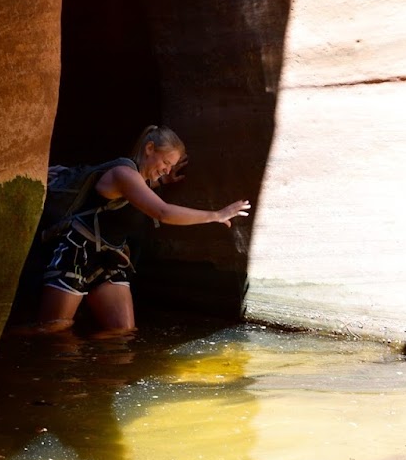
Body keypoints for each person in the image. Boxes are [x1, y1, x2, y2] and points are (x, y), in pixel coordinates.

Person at [32, 125, 250, 336]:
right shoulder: (122, 174)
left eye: (171, 166)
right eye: (165, 162)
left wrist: (164, 178)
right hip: (77, 254)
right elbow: (162, 212)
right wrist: (216, 215)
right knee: (52, 330)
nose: (167, 169)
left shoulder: (142, 179)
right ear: (149, 149)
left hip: (109, 260)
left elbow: (143, 186)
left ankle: (90, 360)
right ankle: (10, 341)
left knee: (121, 332)